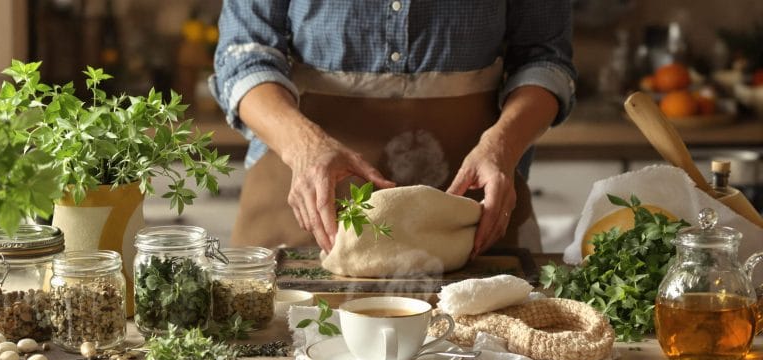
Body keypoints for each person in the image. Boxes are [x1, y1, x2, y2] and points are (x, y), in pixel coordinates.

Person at [210, 1, 576, 256]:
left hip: (472, 224)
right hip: (303, 222)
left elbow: (544, 59)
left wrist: (503, 146)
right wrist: (305, 148)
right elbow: (243, 57)